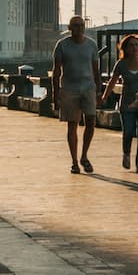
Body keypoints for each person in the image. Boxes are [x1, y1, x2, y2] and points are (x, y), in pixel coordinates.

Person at [51, 16, 100, 174]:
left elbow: (96, 70)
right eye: (76, 26)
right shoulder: (62, 45)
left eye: (82, 25)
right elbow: (56, 71)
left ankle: (84, 155)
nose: (80, 28)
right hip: (69, 89)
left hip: (88, 88)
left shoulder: (91, 45)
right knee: (72, 124)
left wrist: (98, 90)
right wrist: (55, 94)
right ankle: (74, 161)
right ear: (70, 28)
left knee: (91, 120)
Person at [99, 34, 138, 173]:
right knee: (128, 131)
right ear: (125, 48)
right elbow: (112, 81)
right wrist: (104, 96)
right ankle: (126, 154)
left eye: (136, 45)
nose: (134, 48)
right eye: (131, 45)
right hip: (127, 104)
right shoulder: (121, 64)